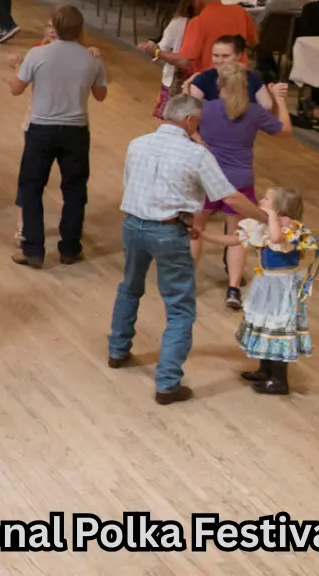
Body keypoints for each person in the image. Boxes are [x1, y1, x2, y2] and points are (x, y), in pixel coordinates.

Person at [107, 94, 266, 404]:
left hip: (132, 224)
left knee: (129, 288)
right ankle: (167, 383)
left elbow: (131, 185)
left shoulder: (136, 143)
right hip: (168, 231)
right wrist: (265, 216)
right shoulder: (196, 155)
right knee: (180, 308)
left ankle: (117, 351)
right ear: (189, 121)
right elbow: (230, 198)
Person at [186, 49, 289, 309]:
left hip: (206, 176)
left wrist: (201, 141)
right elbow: (285, 130)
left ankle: (187, 284)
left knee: (195, 231)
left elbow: (184, 122)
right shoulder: (254, 112)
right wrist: (280, 100)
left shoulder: (206, 108)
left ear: (219, 83)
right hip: (240, 179)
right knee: (239, 236)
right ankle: (233, 288)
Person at [8, 5, 108, 267]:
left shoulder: (37, 53)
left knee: (31, 187)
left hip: (41, 129)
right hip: (76, 130)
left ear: (56, 27)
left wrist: (18, 68)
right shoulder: (91, 59)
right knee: (75, 189)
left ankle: (33, 249)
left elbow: (16, 89)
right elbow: (101, 95)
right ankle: (70, 248)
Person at [197, 187, 319, 396]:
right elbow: (235, 240)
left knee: (277, 329)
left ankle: (279, 380)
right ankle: (265, 371)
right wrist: (206, 235)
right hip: (266, 283)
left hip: (282, 287)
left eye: (267, 199)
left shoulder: (291, 230)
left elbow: (277, 238)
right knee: (263, 325)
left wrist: (271, 215)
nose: (261, 200)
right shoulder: (263, 227)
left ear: (280, 208)